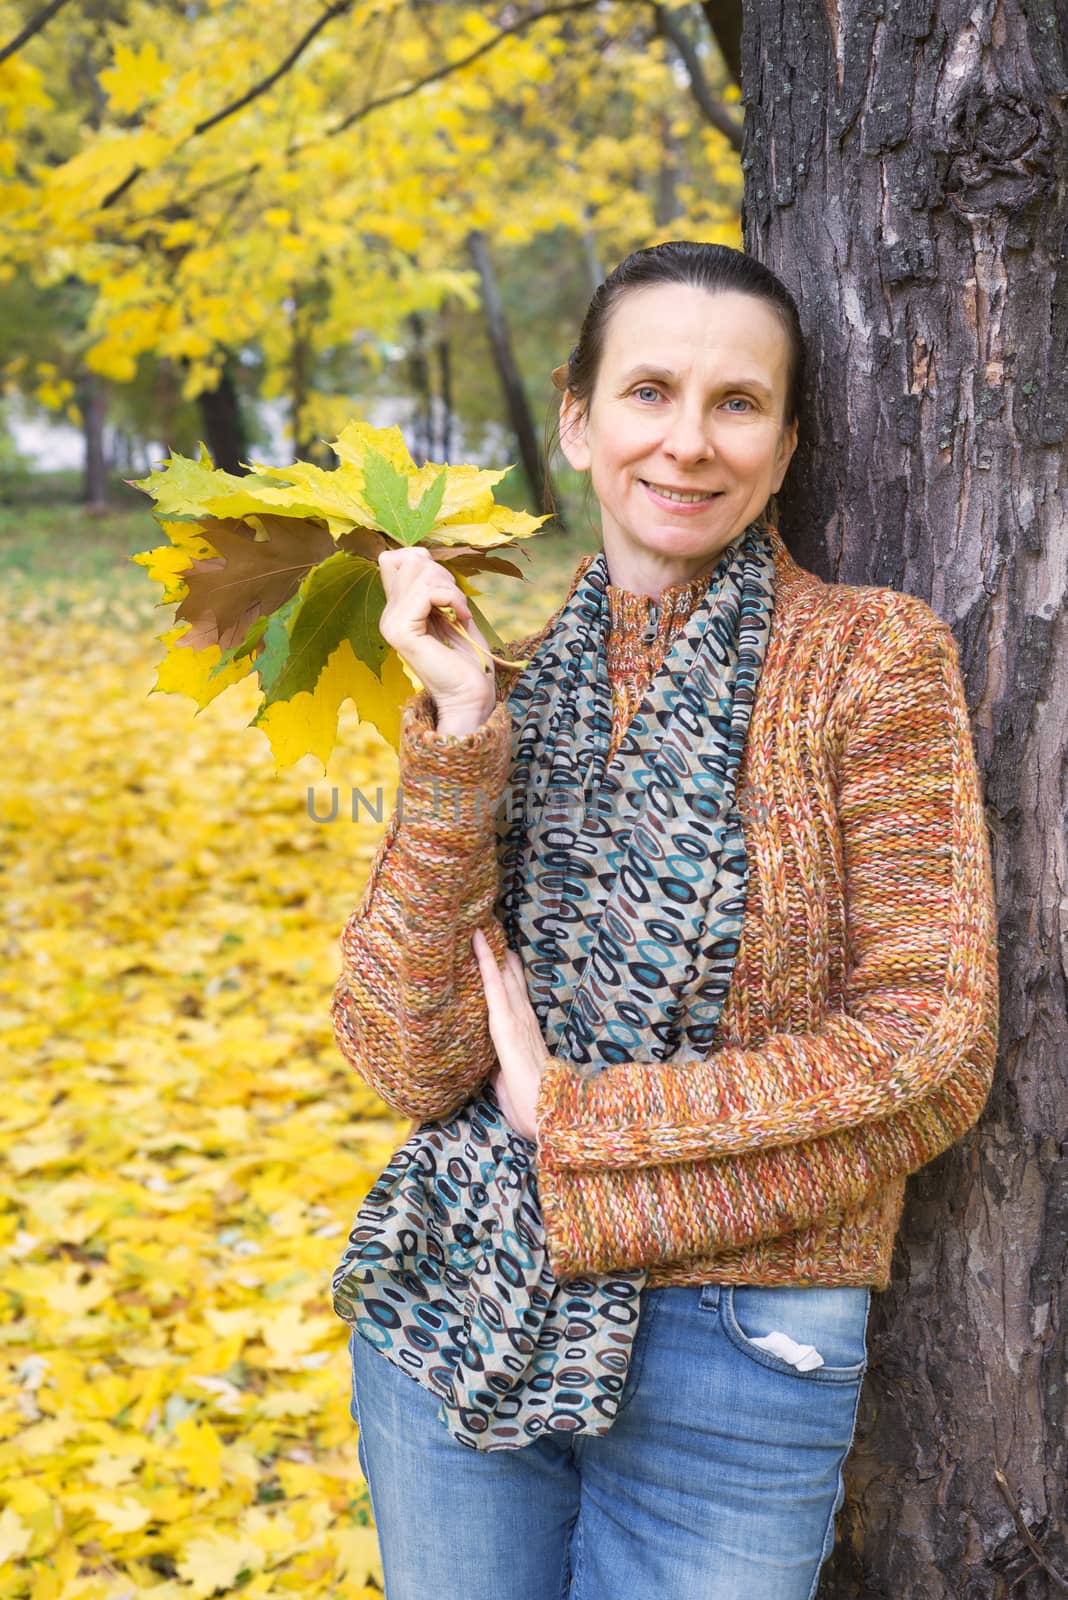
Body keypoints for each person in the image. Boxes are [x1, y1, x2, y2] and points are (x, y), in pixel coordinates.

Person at [329, 241, 999, 1600]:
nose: (689, 443)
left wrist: (578, 1124)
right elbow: (409, 1058)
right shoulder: (504, 683)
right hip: (463, 1293)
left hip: (741, 1349)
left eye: (738, 403)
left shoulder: (868, 659)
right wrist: (462, 735)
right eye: (649, 392)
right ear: (579, 418)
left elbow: (932, 1049)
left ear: (788, 437)